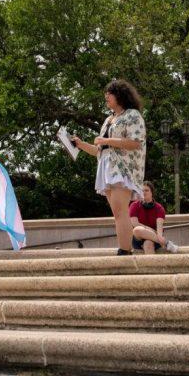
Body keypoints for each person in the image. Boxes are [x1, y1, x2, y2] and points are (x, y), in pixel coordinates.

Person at [71, 79, 147, 256]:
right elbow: (99, 150)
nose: (106, 96)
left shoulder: (133, 115)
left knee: (120, 211)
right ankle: (125, 249)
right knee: (117, 212)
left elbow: (135, 142)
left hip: (123, 168)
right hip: (106, 167)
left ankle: (125, 250)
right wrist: (81, 144)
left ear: (119, 95)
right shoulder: (109, 119)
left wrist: (106, 141)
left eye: (109, 93)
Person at [129, 182, 180, 254]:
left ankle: (151, 265)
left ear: (152, 192)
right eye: (142, 191)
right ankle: (167, 243)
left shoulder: (159, 208)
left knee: (148, 244)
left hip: (155, 238)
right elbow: (135, 224)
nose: (144, 192)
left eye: (146, 190)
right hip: (139, 237)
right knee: (137, 230)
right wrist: (150, 230)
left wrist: (158, 235)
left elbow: (159, 228)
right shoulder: (134, 205)